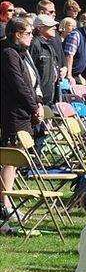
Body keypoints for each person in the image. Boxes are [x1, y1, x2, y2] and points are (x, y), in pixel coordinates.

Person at [0, 18, 43, 214]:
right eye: (28, 33)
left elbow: (33, 82)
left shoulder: (23, 53)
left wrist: (39, 103)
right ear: (17, 34)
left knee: (16, 160)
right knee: (12, 157)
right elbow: (18, 85)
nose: (31, 37)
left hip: (26, 111)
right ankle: (5, 204)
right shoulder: (9, 53)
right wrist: (34, 106)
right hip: (14, 113)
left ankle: (7, 201)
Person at [28, 14, 64, 106]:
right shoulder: (34, 44)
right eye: (50, 26)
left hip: (49, 96)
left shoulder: (48, 45)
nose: (54, 28)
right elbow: (29, 71)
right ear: (40, 28)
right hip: (38, 97)